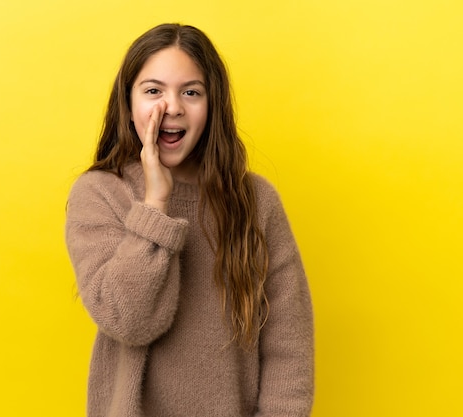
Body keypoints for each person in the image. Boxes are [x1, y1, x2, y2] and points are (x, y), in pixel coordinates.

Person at [65, 23, 314, 417]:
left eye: (191, 92)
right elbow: (129, 321)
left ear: (212, 105)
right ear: (128, 106)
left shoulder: (256, 201)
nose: (172, 106)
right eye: (153, 91)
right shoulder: (99, 194)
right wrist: (155, 203)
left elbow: (289, 344)